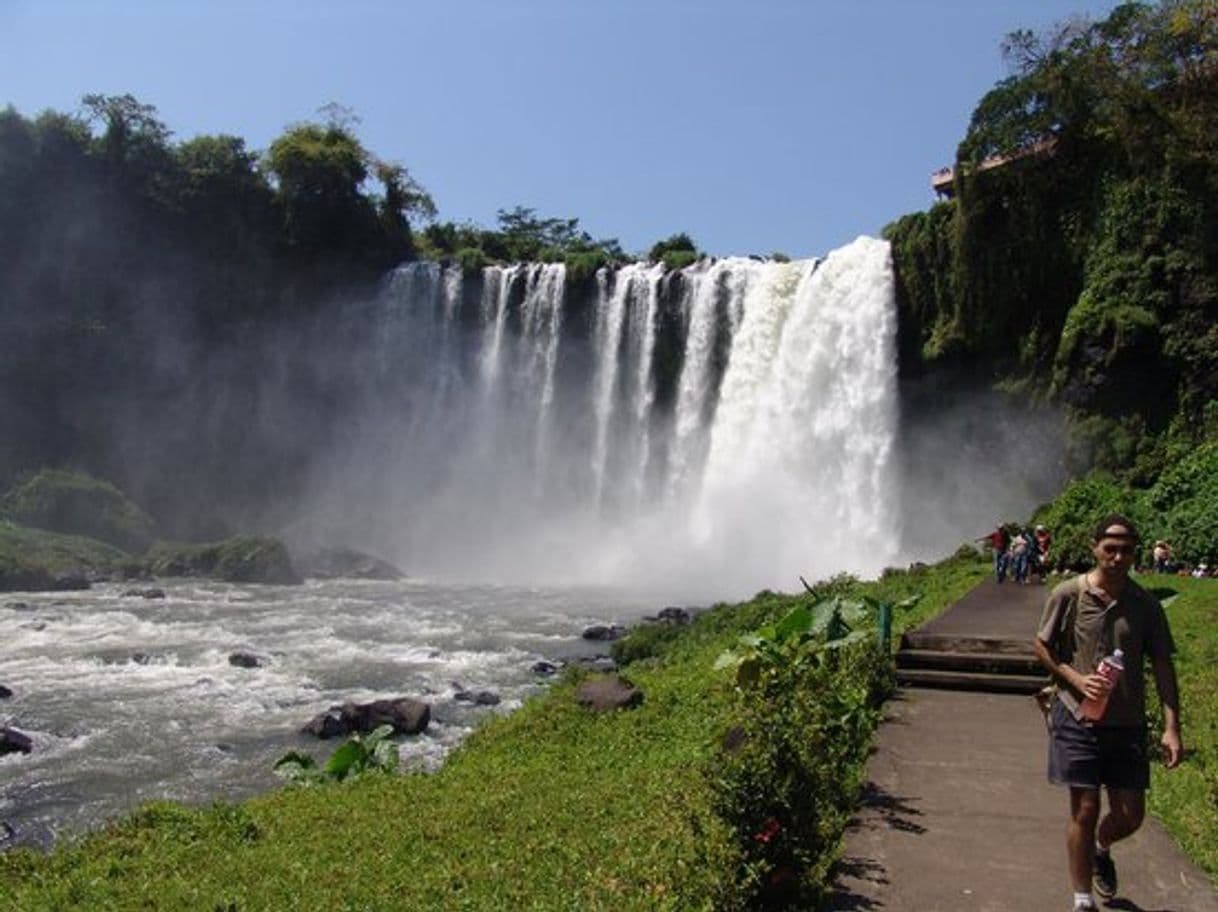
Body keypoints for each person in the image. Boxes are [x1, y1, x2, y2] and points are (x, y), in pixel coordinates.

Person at [1033, 514, 1183, 912]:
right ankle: (1082, 899)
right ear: (1094, 548)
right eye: (1110, 548)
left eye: (1126, 550)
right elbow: (1042, 647)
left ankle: (1102, 847)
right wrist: (1075, 680)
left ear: (1136, 554)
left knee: (1131, 815)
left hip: (1128, 722)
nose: (1117, 557)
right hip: (1075, 716)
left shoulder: (1146, 606)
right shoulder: (1067, 594)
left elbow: (1164, 666)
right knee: (1085, 808)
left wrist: (1172, 728)